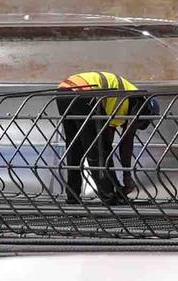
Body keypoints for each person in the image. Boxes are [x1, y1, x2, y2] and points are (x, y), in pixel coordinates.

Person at [56, 70, 157, 204]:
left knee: (75, 148)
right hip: (85, 94)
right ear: (148, 111)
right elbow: (125, 142)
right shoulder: (138, 102)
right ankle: (109, 198)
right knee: (97, 150)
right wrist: (127, 176)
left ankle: (73, 197)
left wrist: (116, 183)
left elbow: (107, 145)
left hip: (63, 91)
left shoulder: (119, 106)